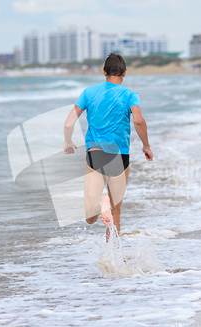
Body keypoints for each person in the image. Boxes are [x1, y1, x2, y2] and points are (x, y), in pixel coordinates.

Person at [63, 53, 153, 238]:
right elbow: (138, 120)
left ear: (104, 72)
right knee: (116, 213)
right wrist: (146, 146)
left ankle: (100, 205)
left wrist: (68, 141)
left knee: (91, 216)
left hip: (95, 154)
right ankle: (114, 260)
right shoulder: (130, 95)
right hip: (120, 156)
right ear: (125, 73)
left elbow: (69, 123)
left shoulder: (89, 92)